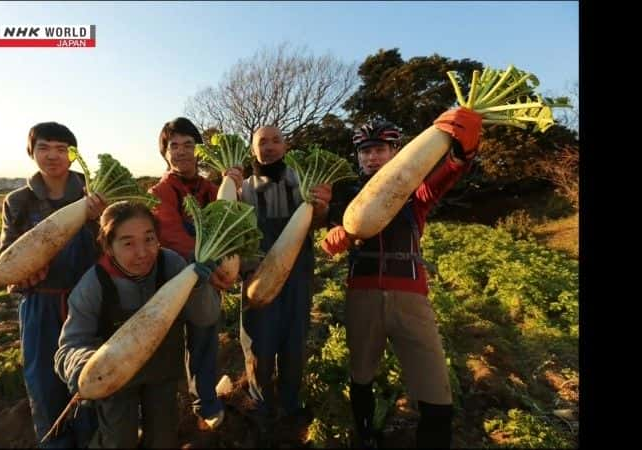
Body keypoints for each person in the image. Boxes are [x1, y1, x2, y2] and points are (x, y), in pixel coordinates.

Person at [320, 108, 482, 448]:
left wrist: (462, 151)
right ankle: (365, 435)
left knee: (436, 393)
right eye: (365, 151)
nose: (372, 157)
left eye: (380, 149)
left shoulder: (415, 195)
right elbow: (328, 227)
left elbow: (447, 174)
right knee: (361, 376)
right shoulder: (346, 196)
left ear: (396, 152)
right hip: (361, 297)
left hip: (410, 298)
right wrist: (334, 235)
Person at [54, 201, 220, 448]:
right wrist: (87, 370)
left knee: (163, 439)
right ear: (108, 247)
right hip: (115, 382)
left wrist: (199, 287)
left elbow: (205, 318)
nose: (142, 252)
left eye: (149, 239)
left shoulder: (172, 265)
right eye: (128, 243)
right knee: (119, 440)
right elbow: (69, 347)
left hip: (162, 373)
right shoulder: (94, 285)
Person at [0, 121, 105, 448]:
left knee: (89, 381)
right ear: (32, 152)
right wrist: (20, 278)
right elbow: (6, 259)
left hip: (88, 303)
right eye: (44, 147)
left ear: (73, 155)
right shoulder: (18, 202)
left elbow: (116, 249)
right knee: (44, 385)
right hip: (39, 305)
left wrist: (100, 219)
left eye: (62, 149)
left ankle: (93, 441)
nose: (53, 155)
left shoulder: (95, 196)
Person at [147, 117, 242, 430]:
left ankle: (204, 403)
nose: (182, 152)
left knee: (204, 343)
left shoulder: (213, 190)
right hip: (171, 281)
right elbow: (172, 236)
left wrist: (235, 187)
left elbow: (232, 224)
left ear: (199, 151)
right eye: (174, 146)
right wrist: (209, 267)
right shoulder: (160, 191)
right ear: (165, 153)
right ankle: (161, 414)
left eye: (189, 145)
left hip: (206, 282)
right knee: (167, 349)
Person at [238, 125, 332, 437]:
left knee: (294, 341)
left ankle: (290, 404)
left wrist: (322, 207)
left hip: (297, 275)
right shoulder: (244, 189)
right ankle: (261, 404)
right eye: (262, 142)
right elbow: (236, 234)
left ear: (285, 145)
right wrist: (246, 270)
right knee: (259, 343)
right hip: (257, 275)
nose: (269, 147)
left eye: (276, 140)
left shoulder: (302, 181)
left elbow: (318, 221)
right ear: (253, 149)